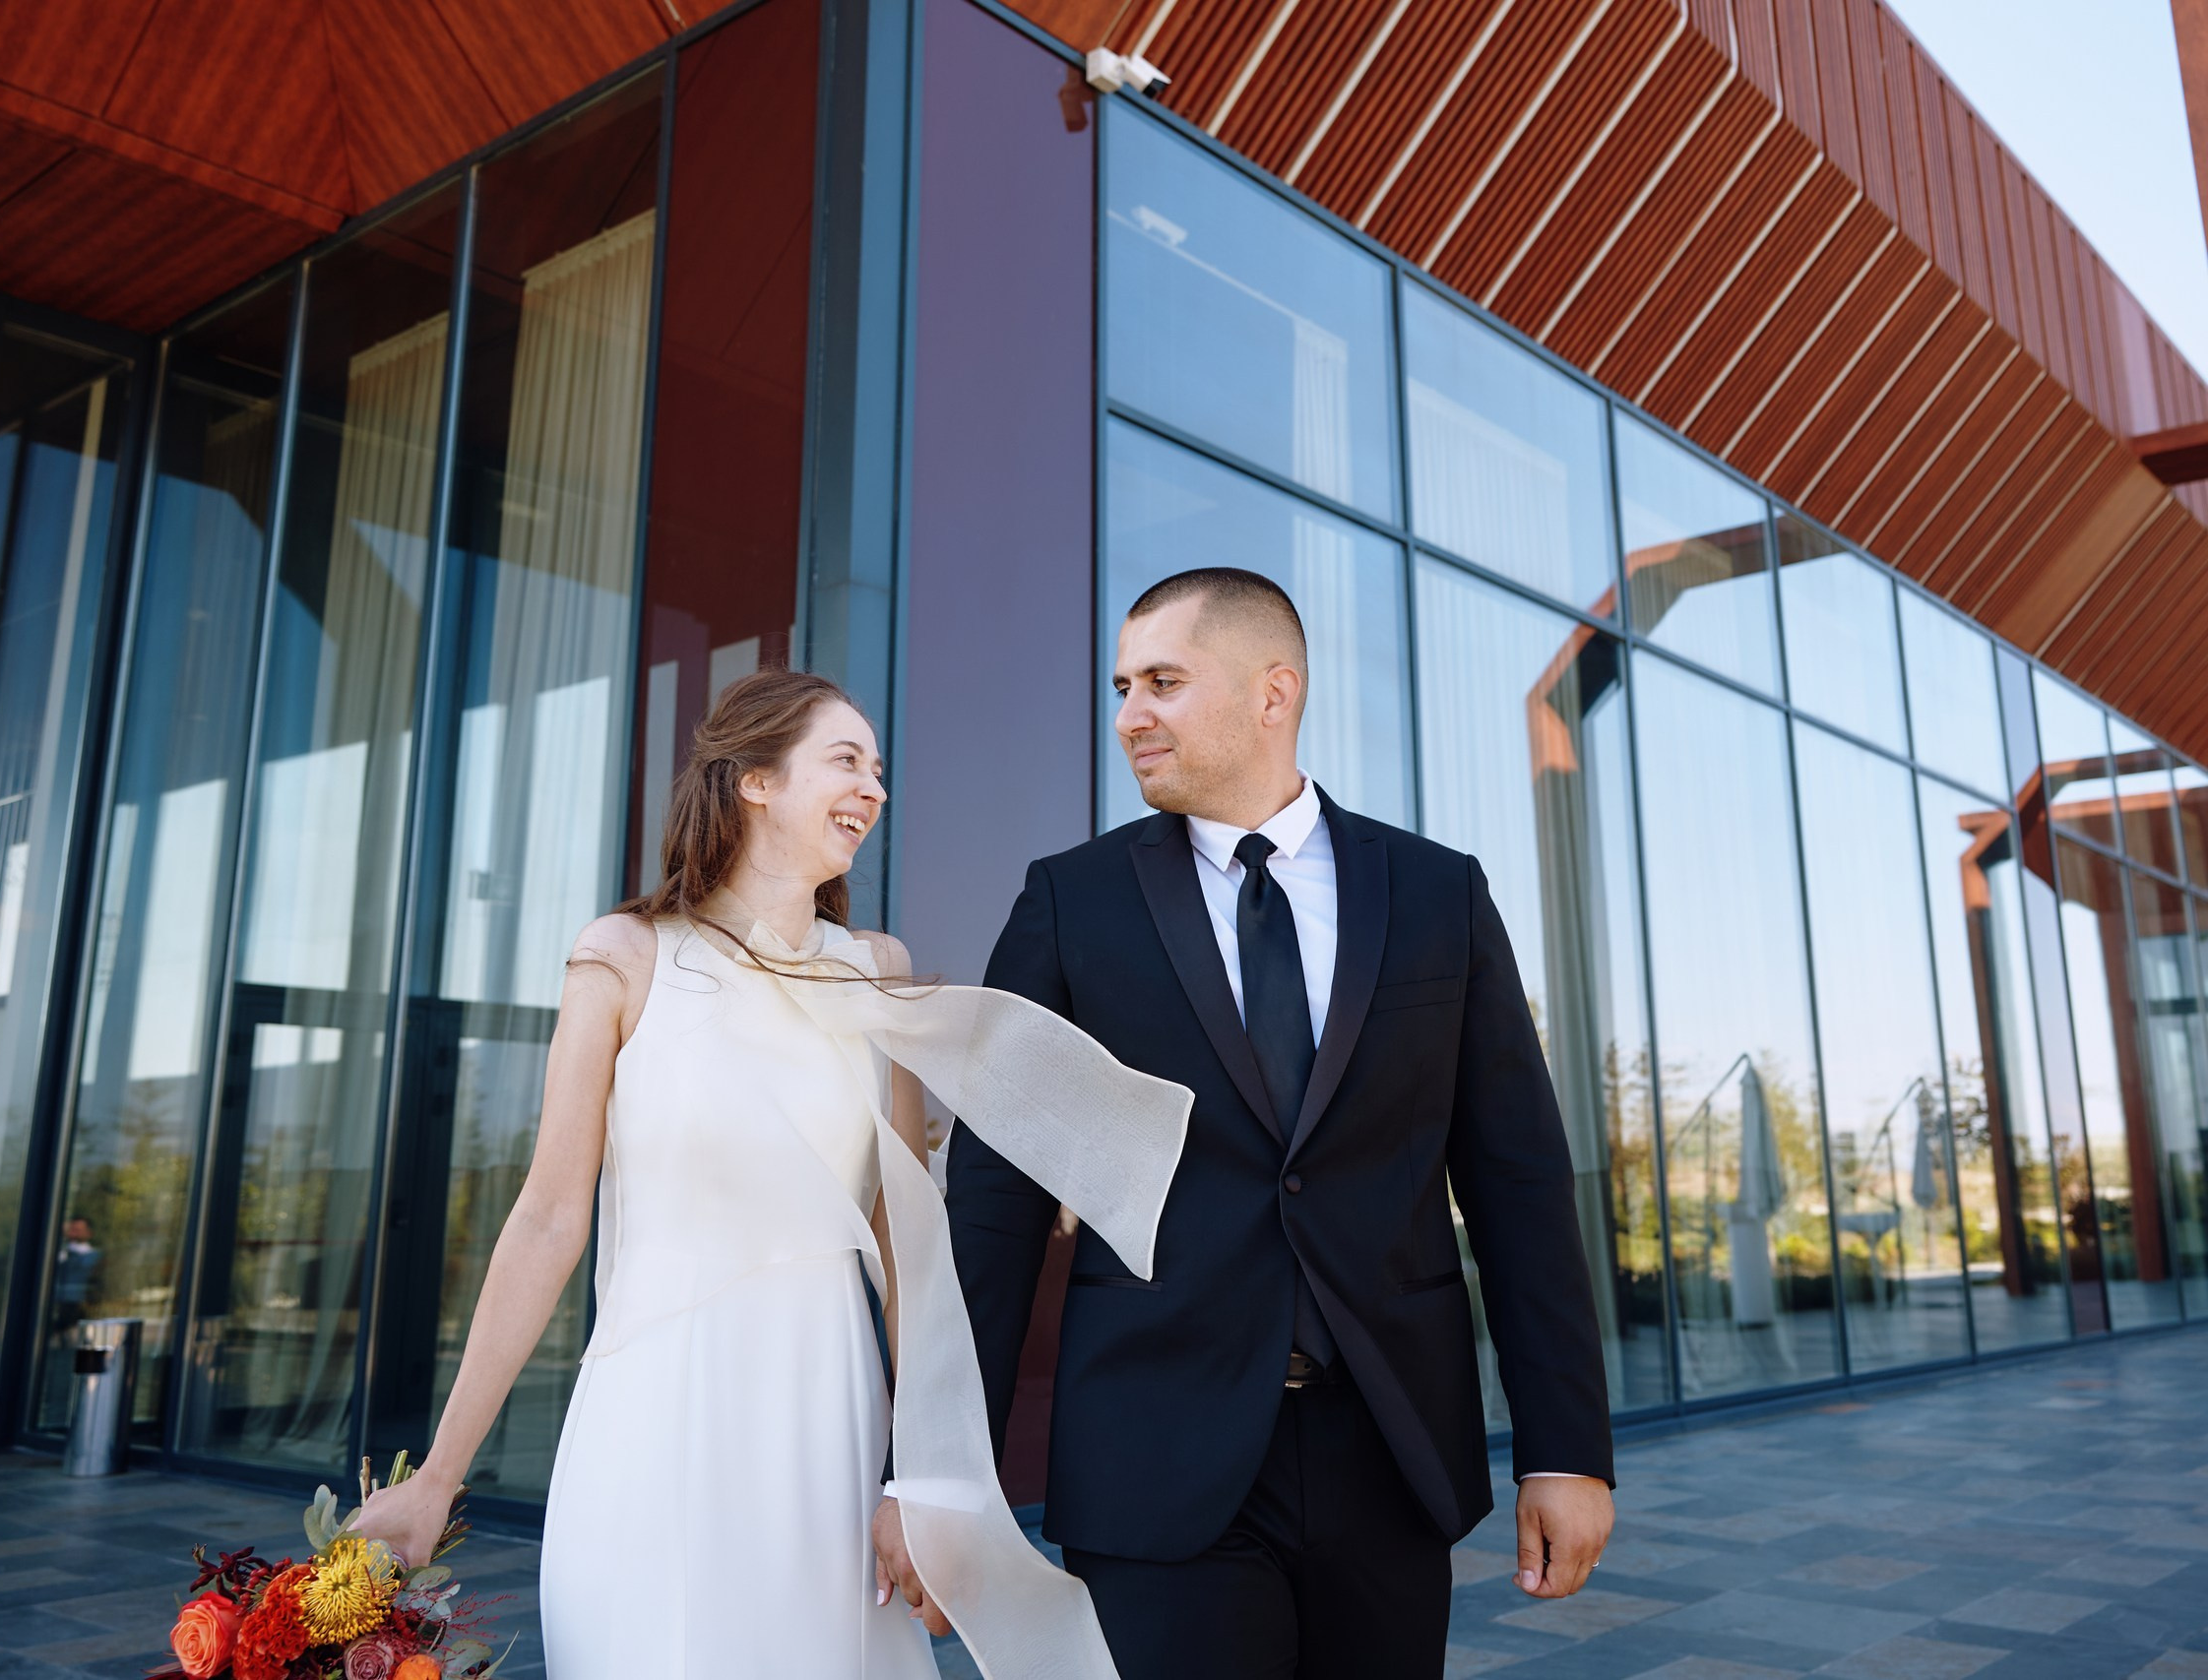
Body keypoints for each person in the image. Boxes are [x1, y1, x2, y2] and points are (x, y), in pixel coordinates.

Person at [349, 669, 1190, 1679]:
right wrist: (439, 1474)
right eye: (845, 761)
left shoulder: (876, 968)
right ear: (753, 780)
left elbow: (904, 1246)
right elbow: (545, 1220)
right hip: (653, 1416)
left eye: (879, 771)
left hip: (823, 1432)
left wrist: (920, 1476)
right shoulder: (623, 957)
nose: (873, 789)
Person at [891, 568, 1617, 1679]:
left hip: (1389, 1449)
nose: (1130, 714)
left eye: (1164, 683)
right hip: (1154, 1452)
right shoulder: (1068, 904)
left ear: (1272, 693)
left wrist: (1566, 1451)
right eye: (1124, 685)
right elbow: (994, 1204)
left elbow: (1516, 1182)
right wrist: (942, 1479)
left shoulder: (1437, 895)